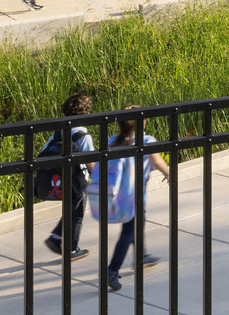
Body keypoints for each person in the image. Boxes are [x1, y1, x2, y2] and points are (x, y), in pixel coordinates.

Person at [98, 110, 168, 294]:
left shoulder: (113, 141)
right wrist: (169, 173)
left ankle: (141, 256)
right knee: (129, 231)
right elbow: (157, 160)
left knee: (137, 223)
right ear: (143, 123)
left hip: (115, 194)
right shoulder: (146, 141)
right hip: (133, 197)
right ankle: (112, 270)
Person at [39, 92, 98, 260]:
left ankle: (56, 237)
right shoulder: (83, 136)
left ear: (64, 114)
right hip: (76, 181)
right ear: (87, 115)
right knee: (77, 213)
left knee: (71, 210)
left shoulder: (58, 133)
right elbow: (90, 162)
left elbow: (45, 151)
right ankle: (71, 249)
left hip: (58, 181)